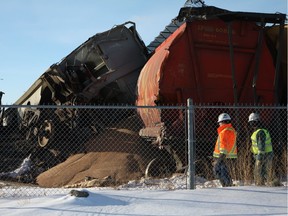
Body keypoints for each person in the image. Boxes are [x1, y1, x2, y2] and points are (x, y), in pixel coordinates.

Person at [248, 112, 273, 186]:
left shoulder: (260, 132)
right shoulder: (260, 131)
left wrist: (259, 157)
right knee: (265, 171)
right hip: (265, 154)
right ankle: (265, 184)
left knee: (258, 171)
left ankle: (260, 185)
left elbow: (261, 146)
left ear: (254, 122)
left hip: (263, 155)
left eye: (251, 122)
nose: (250, 124)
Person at [213, 113, 237, 187]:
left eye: (219, 123)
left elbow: (223, 146)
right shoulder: (232, 130)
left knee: (219, 171)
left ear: (222, 122)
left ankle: (227, 187)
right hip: (229, 156)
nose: (219, 124)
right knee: (225, 173)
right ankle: (228, 186)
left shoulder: (224, 132)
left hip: (223, 157)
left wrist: (220, 158)